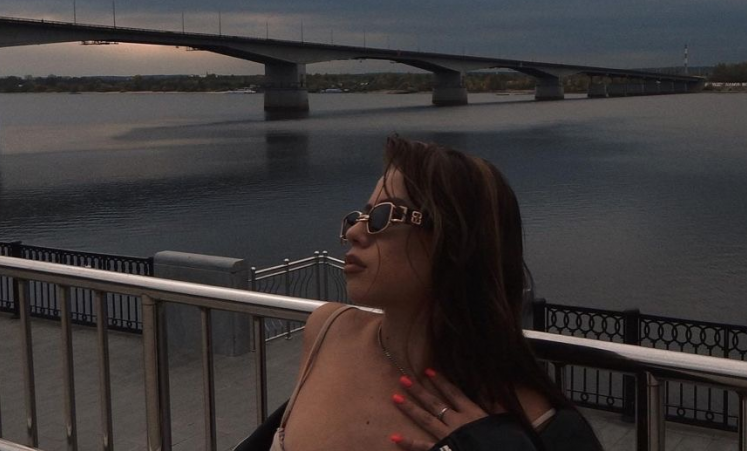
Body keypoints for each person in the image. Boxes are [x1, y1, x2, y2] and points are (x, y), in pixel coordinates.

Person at [236, 136, 603, 451]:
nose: (353, 234)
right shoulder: (328, 330)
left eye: (381, 217)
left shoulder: (537, 422)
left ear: (453, 241)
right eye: (357, 217)